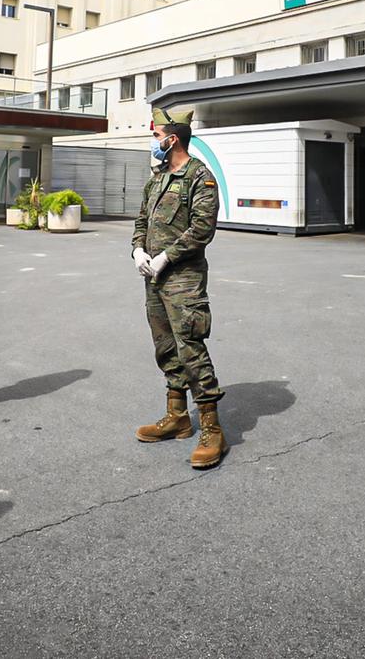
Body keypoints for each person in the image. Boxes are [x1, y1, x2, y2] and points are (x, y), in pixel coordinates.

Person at [131, 107, 227, 469]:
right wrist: (138, 249)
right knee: (165, 347)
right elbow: (142, 219)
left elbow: (203, 228)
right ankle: (177, 417)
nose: (154, 143)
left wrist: (166, 257)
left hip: (182, 278)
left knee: (190, 347)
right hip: (153, 277)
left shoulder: (199, 177)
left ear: (172, 139)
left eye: (156, 137)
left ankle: (212, 429)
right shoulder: (157, 178)